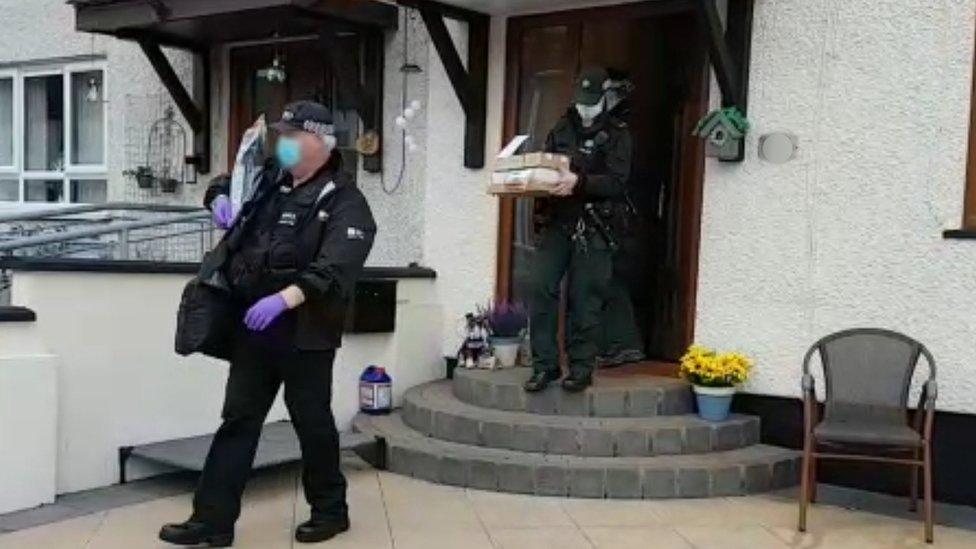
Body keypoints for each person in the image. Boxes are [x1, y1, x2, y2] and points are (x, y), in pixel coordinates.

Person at [159, 100, 376, 547]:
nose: (285, 144)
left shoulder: (345, 200)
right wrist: (219, 197)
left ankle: (330, 510)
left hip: (305, 332)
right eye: (282, 135)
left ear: (319, 141)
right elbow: (228, 181)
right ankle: (211, 521)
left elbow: (337, 267)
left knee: (311, 423)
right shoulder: (272, 180)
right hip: (254, 329)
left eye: (294, 136)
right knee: (238, 420)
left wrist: (286, 298)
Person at [524, 67, 633, 393]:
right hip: (558, 221)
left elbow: (617, 182)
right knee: (539, 286)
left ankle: (581, 368)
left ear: (604, 98)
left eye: (592, 100)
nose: (585, 107)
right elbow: (547, 163)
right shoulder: (561, 128)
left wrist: (579, 182)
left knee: (585, 297)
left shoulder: (618, 134)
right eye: (582, 100)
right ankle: (544, 366)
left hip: (595, 225)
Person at [596, 74, 645, 368]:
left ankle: (623, 343)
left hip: (612, 215)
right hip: (610, 213)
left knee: (609, 279)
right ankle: (617, 344)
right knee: (606, 280)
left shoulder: (618, 129)